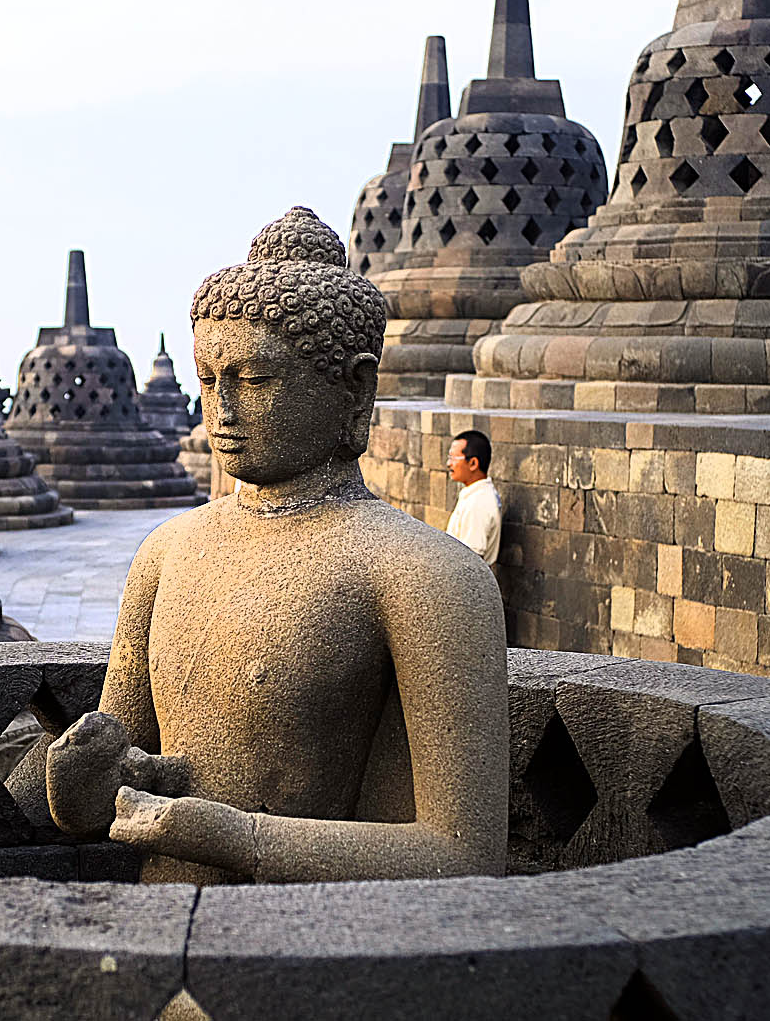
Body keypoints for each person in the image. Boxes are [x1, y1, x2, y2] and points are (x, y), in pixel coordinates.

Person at [36, 208, 509, 885]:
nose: (222, 410)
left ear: (355, 386)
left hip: (318, 962)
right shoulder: (165, 554)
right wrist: (86, 787)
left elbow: (464, 855)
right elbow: (125, 758)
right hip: (154, 943)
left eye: (256, 381)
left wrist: (235, 838)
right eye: (207, 379)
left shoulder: (427, 577)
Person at [445, 430, 501, 565]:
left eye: (454, 458)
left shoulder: (479, 503)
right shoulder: (474, 495)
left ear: (473, 464)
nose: (449, 464)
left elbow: (471, 562)